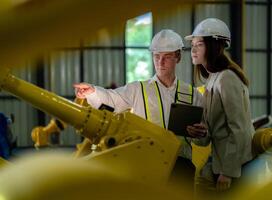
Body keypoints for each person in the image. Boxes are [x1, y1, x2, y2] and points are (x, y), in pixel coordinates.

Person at [74, 29, 202, 191]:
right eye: (156, 56)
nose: (160, 62)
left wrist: (201, 135)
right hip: (148, 165)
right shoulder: (138, 89)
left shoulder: (193, 94)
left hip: (182, 168)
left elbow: (203, 138)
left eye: (167, 57)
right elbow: (111, 99)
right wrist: (92, 91)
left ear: (178, 57)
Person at [185, 18, 254, 197]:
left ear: (214, 46)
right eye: (192, 45)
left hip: (234, 168)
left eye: (199, 44)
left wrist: (228, 172)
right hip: (220, 163)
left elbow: (239, 129)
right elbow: (211, 134)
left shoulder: (226, 78)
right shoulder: (212, 79)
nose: (193, 49)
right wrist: (199, 132)